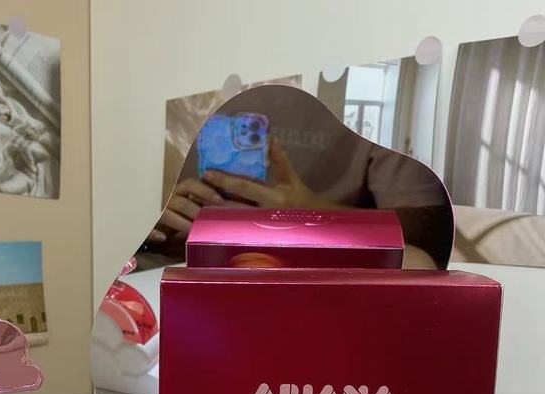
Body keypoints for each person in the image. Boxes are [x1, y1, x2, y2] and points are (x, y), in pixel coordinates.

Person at [143, 85, 453, 269]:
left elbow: (426, 232)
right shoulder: (165, 86)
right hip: (170, 262)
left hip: (313, 268)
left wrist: (308, 214)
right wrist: (141, 227)